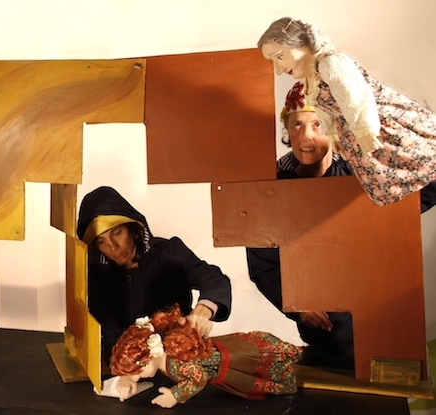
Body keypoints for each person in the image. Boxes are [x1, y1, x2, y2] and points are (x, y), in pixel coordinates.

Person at [246, 85, 436, 369]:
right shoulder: (270, 192)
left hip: (383, 318)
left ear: (335, 128)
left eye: (317, 124)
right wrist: (298, 304)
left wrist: (417, 135)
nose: (306, 136)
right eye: (297, 124)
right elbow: (263, 265)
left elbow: (420, 195)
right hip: (330, 335)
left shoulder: (361, 176)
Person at [258, 17, 436, 207]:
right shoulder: (312, 80)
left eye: (280, 57)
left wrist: (365, 130)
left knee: (413, 160)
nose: (278, 69)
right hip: (356, 139)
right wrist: (333, 134)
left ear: (298, 44)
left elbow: (356, 97)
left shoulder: (330, 63)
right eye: (297, 125)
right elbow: (324, 111)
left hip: (376, 125)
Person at [76, 186, 232, 364]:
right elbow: (108, 332)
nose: (113, 247)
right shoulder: (97, 277)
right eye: (101, 241)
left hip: (180, 358)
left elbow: (212, 278)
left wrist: (204, 309)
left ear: (132, 228)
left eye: (117, 233)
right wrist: (128, 364)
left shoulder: (169, 253)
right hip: (129, 365)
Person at [110, 305, 302, 408]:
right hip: (223, 355)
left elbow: (199, 377)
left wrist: (175, 395)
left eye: (138, 369)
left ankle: (285, 378)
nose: (136, 376)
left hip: (231, 362)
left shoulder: (176, 364)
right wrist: (127, 376)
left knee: (260, 368)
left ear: (153, 354)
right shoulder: (168, 352)